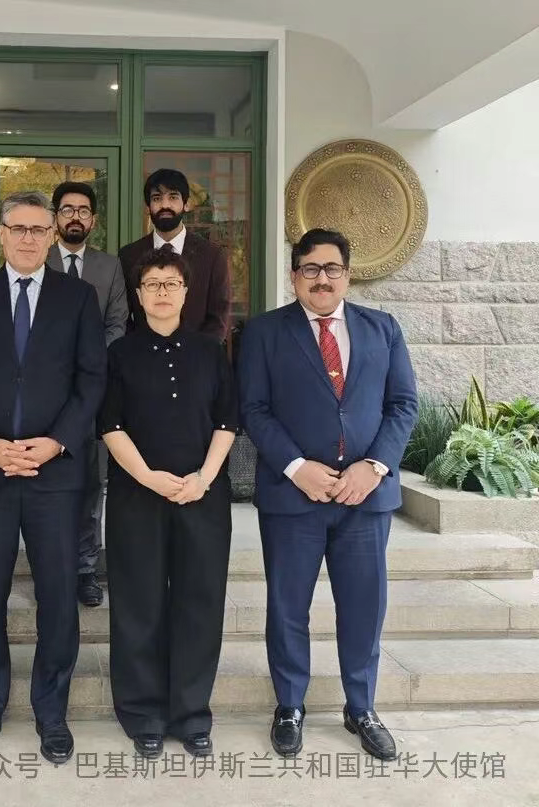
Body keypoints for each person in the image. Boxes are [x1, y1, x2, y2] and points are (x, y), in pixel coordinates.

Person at [0, 190, 106, 766]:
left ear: (54, 235)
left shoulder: (79, 298)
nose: (31, 237)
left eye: (42, 228)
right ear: (1, 233)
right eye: (20, 227)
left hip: (55, 473)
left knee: (59, 596)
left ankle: (51, 711)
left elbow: (91, 381)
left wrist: (56, 440)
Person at [238, 228, 418, 761]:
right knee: (288, 607)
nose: (322, 278)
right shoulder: (265, 332)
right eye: (310, 268)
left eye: (332, 268)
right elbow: (254, 410)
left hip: (365, 499)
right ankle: (289, 704)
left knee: (363, 606)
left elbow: (403, 404)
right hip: (294, 498)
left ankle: (360, 705)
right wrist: (297, 467)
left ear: (347, 273)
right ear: (294, 275)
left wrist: (375, 465)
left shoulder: (382, 329)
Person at [99, 244, 237, 761]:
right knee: (139, 606)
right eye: (152, 284)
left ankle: (191, 714)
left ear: (185, 292)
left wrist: (202, 477)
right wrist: (150, 479)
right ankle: (143, 714)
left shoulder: (209, 350)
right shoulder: (119, 353)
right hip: (138, 497)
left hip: (203, 497)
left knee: (199, 603)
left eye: (171, 284)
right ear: (137, 295)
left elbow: (227, 421)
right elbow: (109, 425)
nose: (162, 292)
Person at [46, 180, 128, 608]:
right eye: (66, 209)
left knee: (92, 483)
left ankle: (84, 568)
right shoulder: (38, 262)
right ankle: (53, 566)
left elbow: (117, 323)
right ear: (55, 218)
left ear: (92, 220)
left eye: (82, 210)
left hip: (95, 390)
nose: (74, 216)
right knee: (52, 483)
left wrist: (88, 361)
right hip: (46, 392)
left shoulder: (109, 267)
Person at [118, 168, 230, 340]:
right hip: (144, 359)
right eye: (157, 198)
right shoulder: (129, 256)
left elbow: (219, 317)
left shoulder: (212, 256)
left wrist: (198, 355)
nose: (165, 205)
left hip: (196, 360)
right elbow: (122, 316)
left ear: (186, 204)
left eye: (173, 197)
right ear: (148, 207)